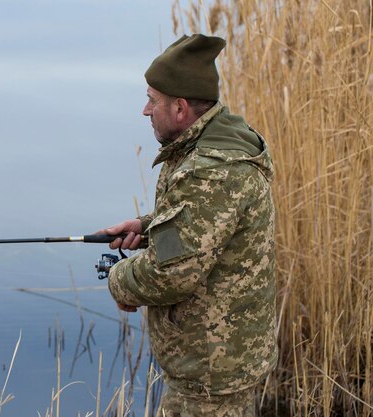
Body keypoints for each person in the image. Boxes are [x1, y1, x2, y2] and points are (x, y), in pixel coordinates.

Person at [98, 34, 277, 416]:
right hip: (214, 366)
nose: (145, 110)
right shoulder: (209, 145)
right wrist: (149, 227)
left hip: (212, 375)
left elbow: (172, 274)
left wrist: (119, 280)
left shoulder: (211, 171)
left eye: (153, 100)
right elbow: (206, 227)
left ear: (180, 108)